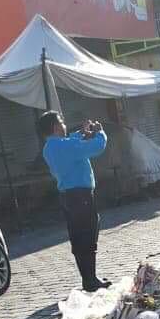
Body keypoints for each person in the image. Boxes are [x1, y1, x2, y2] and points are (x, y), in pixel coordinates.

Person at [38, 110, 110, 292]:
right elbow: (96, 147)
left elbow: (72, 142)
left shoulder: (49, 148)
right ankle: (91, 279)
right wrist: (100, 133)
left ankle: (88, 278)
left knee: (77, 238)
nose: (64, 125)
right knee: (88, 236)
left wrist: (82, 132)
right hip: (81, 196)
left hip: (67, 197)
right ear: (55, 127)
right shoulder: (65, 146)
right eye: (61, 122)